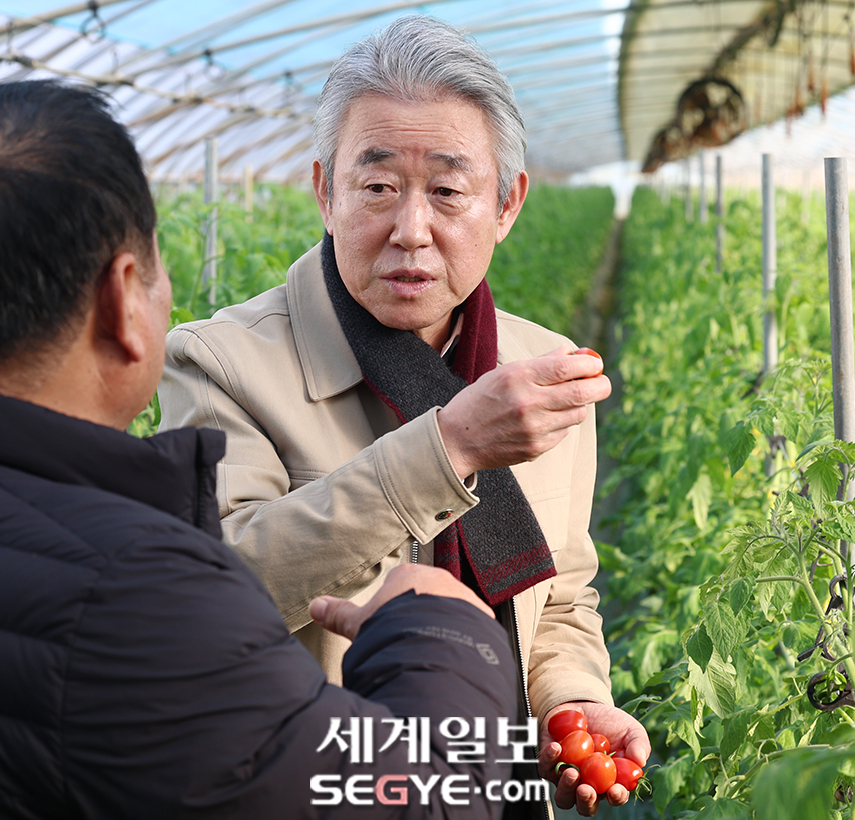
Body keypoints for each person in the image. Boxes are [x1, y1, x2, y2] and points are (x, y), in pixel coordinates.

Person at [0, 79, 524, 819]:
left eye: (448, 189)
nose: (412, 227)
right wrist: (437, 628)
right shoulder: (133, 594)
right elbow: (421, 801)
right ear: (121, 300)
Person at [158, 15, 651, 816]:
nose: (411, 230)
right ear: (325, 191)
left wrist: (570, 698)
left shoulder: (542, 370)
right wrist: (449, 447)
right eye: (378, 187)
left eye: (449, 191)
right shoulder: (222, 363)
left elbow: (561, 594)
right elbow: (213, 597)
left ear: (507, 204)